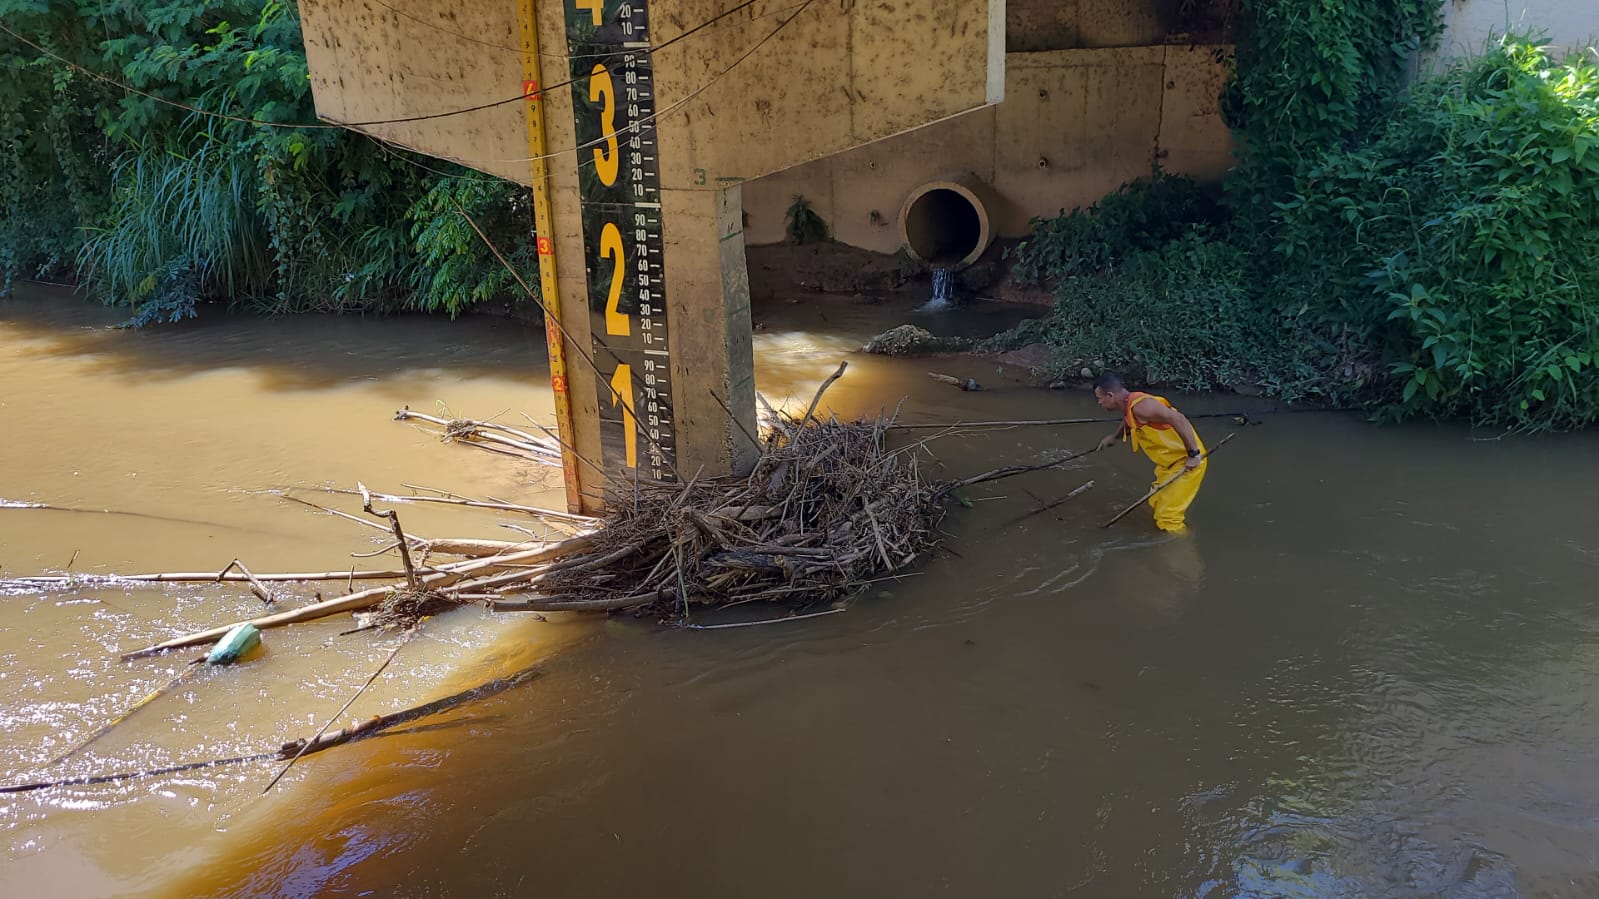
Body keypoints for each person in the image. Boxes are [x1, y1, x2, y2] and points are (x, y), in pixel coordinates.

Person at [1092, 372, 1206, 533]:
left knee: (1168, 517)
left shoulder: (1142, 407)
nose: (1099, 402)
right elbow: (1129, 421)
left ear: (1110, 395)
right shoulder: (1130, 406)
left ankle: (1179, 546)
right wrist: (1115, 437)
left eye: (1099, 398)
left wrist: (1193, 455)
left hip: (1187, 462)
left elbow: (1179, 419)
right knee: (1155, 502)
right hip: (1169, 464)